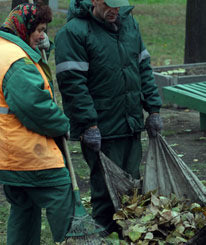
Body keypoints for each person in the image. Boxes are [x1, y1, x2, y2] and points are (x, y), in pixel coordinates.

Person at [55, 0, 163, 234]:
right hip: (101, 128)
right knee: (105, 190)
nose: (115, 10)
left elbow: (143, 67)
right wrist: (89, 124)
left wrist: (153, 109)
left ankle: (129, 234)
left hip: (130, 122)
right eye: (109, 5)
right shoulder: (74, 33)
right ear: (94, 1)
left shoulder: (129, 24)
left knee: (132, 185)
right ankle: (104, 233)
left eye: (118, 4)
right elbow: (73, 85)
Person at [0, 3, 74, 245]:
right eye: (39, 30)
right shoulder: (16, 62)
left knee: (24, 208)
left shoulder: (6, 48)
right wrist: (61, 124)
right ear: (24, 28)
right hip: (29, 154)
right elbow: (35, 107)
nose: (43, 35)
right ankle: (71, 240)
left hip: (8, 155)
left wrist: (44, 48)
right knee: (60, 192)